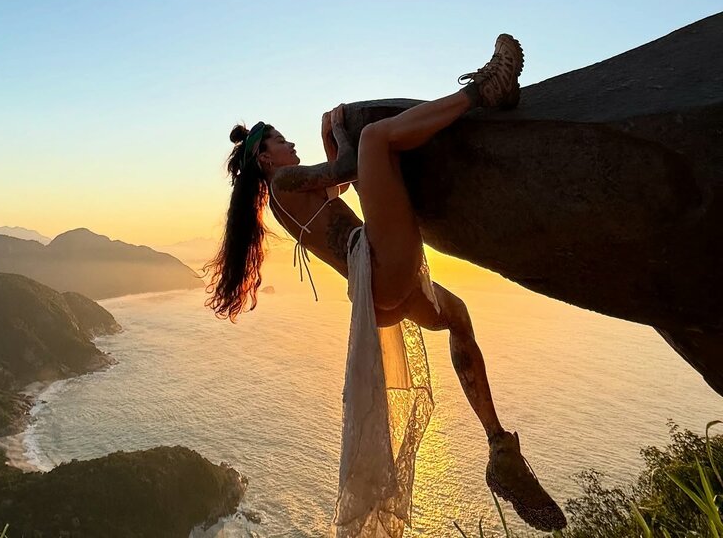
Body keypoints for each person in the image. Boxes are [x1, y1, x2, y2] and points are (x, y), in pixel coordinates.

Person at [206, 34, 567, 535]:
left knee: (458, 318)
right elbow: (352, 165)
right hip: (379, 266)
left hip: (378, 297)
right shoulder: (283, 183)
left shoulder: (287, 198)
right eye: (282, 142)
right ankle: (485, 90)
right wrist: (339, 129)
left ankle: (499, 445)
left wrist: (330, 137)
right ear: (265, 160)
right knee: (375, 137)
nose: (290, 145)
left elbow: (343, 184)